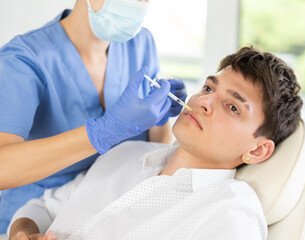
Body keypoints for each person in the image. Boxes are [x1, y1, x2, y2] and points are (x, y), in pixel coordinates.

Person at [8, 46, 303, 240]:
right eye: (208, 87)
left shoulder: (231, 215)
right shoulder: (126, 153)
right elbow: (41, 208)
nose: (203, 101)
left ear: (257, 149)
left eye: (233, 107)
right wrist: (23, 233)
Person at [0, 0, 187, 233]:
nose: (139, 4)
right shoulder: (23, 59)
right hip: (31, 219)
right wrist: (105, 130)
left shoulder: (141, 42)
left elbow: (153, 144)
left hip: (105, 212)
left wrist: (159, 117)